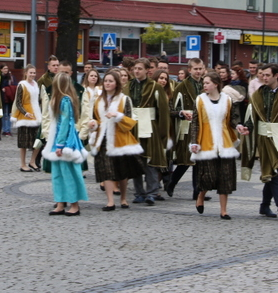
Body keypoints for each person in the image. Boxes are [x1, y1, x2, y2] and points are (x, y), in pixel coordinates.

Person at [238, 64, 278, 222]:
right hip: (264, 138)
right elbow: (252, 117)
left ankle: (265, 205)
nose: (264, 78)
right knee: (273, 171)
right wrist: (247, 128)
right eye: (262, 75)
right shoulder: (257, 95)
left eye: (267, 75)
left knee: (272, 173)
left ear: (277, 75)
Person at [86, 70, 144, 211]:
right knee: (106, 170)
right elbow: (94, 118)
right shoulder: (98, 100)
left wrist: (117, 116)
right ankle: (110, 201)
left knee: (122, 171)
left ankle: (123, 198)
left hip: (120, 140)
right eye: (106, 81)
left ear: (116, 83)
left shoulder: (124, 99)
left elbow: (130, 122)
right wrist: (93, 124)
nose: (107, 83)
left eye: (111, 81)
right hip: (102, 139)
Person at [190, 72, 241, 219]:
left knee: (225, 177)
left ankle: (223, 210)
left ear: (215, 84)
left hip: (224, 144)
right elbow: (195, 123)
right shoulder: (200, 100)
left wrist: (238, 127)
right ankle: (201, 196)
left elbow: (232, 120)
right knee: (208, 177)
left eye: (207, 83)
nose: (204, 85)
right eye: (203, 83)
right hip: (207, 144)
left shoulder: (227, 100)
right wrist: (194, 142)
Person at [43, 73, 89, 216]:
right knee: (57, 174)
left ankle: (74, 204)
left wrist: (60, 144)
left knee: (68, 173)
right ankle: (61, 203)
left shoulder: (64, 100)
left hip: (64, 141)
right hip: (57, 140)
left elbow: (65, 124)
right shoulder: (60, 99)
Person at [129, 58, 170, 206]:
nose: (137, 71)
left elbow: (163, 111)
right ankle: (139, 192)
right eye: (135, 68)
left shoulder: (154, 86)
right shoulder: (129, 86)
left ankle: (152, 192)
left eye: (140, 68)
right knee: (135, 161)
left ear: (147, 70)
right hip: (133, 126)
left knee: (150, 160)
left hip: (150, 126)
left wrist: (162, 132)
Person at [166, 58, 205, 198]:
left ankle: (197, 191)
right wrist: (182, 113)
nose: (198, 71)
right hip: (187, 126)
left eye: (200, 68)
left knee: (199, 159)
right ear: (190, 70)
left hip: (203, 124)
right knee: (188, 159)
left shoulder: (205, 84)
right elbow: (172, 108)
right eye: (196, 69)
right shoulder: (182, 86)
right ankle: (172, 182)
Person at [12, 65, 42, 171]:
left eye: (34, 73)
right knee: (24, 142)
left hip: (36, 115)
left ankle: (32, 161)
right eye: (31, 72)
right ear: (26, 73)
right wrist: (25, 113)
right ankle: (22, 164)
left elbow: (38, 100)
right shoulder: (22, 85)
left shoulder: (36, 84)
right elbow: (18, 102)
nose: (33, 75)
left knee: (39, 140)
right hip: (24, 117)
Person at [0, 64, 16, 137]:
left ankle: (8, 130)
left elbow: (15, 85)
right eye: (4, 68)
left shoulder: (11, 77)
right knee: (4, 114)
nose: (6, 70)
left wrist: (7, 89)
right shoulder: (0, 77)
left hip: (9, 98)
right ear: (1, 69)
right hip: (2, 98)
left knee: (8, 114)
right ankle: (5, 130)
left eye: (6, 68)